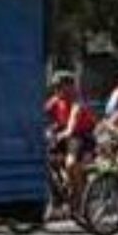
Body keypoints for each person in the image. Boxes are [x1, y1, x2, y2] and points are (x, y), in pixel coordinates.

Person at [44, 72, 97, 203]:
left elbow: (72, 123)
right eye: (55, 87)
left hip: (82, 137)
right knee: (50, 159)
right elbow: (41, 113)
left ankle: (79, 195)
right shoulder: (56, 100)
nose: (56, 90)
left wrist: (65, 132)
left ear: (70, 87)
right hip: (65, 137)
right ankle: (62, 189)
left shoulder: (78, 102)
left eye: (59, 87)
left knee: (70, 164)